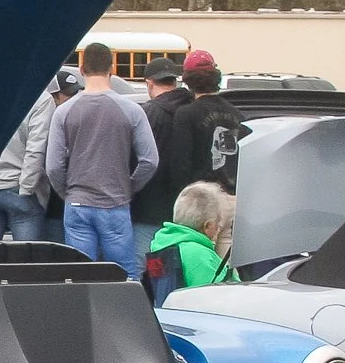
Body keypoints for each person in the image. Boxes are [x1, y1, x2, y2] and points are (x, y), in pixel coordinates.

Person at [44, 41, 157, 268]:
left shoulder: (64, 112)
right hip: (115, 202)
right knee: (123, 274)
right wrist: (129, 187)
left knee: (80, 273)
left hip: (77, 204)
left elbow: (53, 166)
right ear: (111, 69)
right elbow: (150, 160)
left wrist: (68, 192)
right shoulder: (132, 110)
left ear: (82, 70)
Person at [0, 85, 53, 240]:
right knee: (27, 259)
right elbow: (36, 150)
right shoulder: (40, 98)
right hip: (18, 187)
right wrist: (27, 188)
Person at [130, 57, 192, 256]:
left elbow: (134, 158)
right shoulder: (192, 110)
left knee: (143, 267)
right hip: (187, 208)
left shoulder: (147, 114)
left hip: (148, 207)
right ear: (174, 81)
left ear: (149, 83)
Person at [143, 182, 238, 304]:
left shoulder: (161, 245)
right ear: (207, 226)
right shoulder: (199, 255)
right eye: (218, 222)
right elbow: (223, 299)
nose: (219, 227)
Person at [165, 50, 244, 194]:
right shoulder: (237, 115)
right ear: (216, 77)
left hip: (199, 198)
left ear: (188, 81)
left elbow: (180, 165)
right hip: (232, 197)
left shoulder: (186, 114)